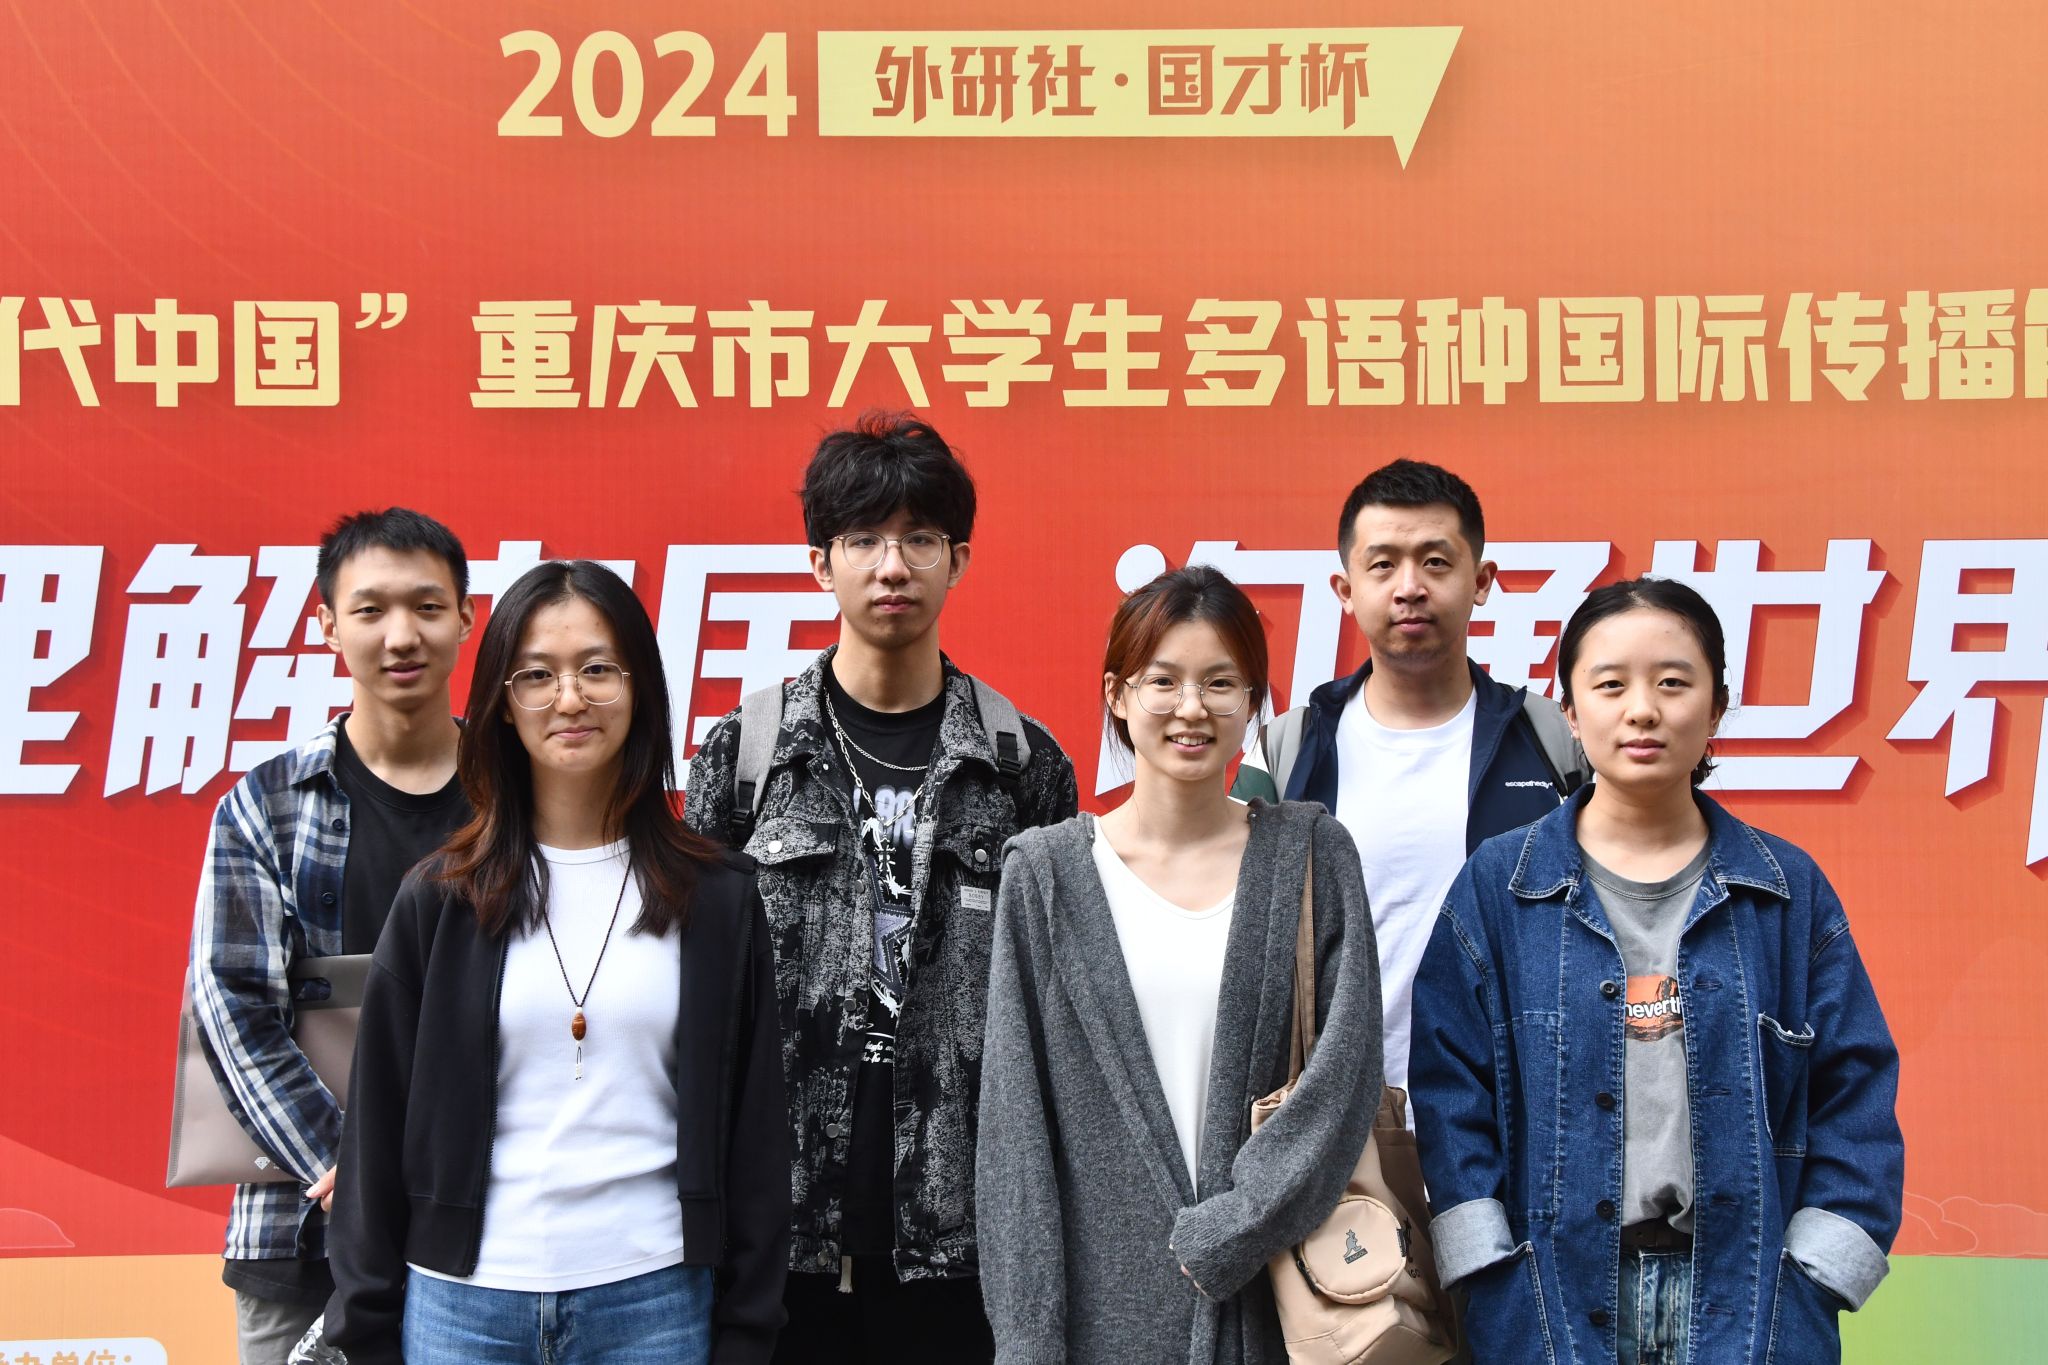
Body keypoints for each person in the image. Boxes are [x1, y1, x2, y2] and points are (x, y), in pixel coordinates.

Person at [1409, 577, 1903, 1365]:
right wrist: (1490, 1274)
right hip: (1549, 1305)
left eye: (1673, 682)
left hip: (1750, 1304)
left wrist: (1814, 1275)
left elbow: (1855, 1088)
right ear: (1571, 711)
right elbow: (1449, 1088)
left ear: (1716, 709)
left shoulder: (1786, 890)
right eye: (1611, 685)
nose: (1642, 709)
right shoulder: (1501, 887)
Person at [684, 412, 1078, 1363]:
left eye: (919, 539)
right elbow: (693, 995)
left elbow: (1058, 1008)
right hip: (779, 1227)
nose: (892, 566)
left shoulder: (1022, 765)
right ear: (821, 564)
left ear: (959, 560)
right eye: (863, 539)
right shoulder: (748, 756)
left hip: (958, 1236)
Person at [325, 561, 789, 1365]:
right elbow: (375, 1129)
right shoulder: (440, 898)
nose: (570, 698)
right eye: (537, 675)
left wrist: (748, 1327)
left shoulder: (717, 898)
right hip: (462, 1306)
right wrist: (364, 1329)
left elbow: (756, 1137)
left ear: (640, 689)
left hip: (653, 1299)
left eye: (597, 669)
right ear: (502, 704)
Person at [978, 566, 1384, 1365]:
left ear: (1253, 701)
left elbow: (1347, 1071)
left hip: (1281, 1310)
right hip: (1104, 1321)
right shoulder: (1046, 874)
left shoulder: (1311, 854)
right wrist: (1027, 1342)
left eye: (1221, 683)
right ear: (1118, 695)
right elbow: (1014, 1132)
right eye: (1163, 680)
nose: (1192, 707)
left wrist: (1237, 1223)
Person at [187, 508, 473, 1364]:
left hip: (491, 1236)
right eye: (370, 609)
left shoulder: (525, 800)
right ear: (326, 624)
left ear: (466, 617)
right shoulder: (266, 804)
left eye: (427, 606)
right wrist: (353, 1167)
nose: (401, 635)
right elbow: (232, 1009)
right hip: (301, 1231)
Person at [1233, 459, 1589, 1108]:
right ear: (1345, 588)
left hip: (1524, 1119)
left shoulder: (1554, 741)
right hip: (1339, 1126)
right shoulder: (1287, 748)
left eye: (1435, 562)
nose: (1409, 587)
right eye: (1383, 565)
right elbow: (1233, 941)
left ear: (1481, 581)